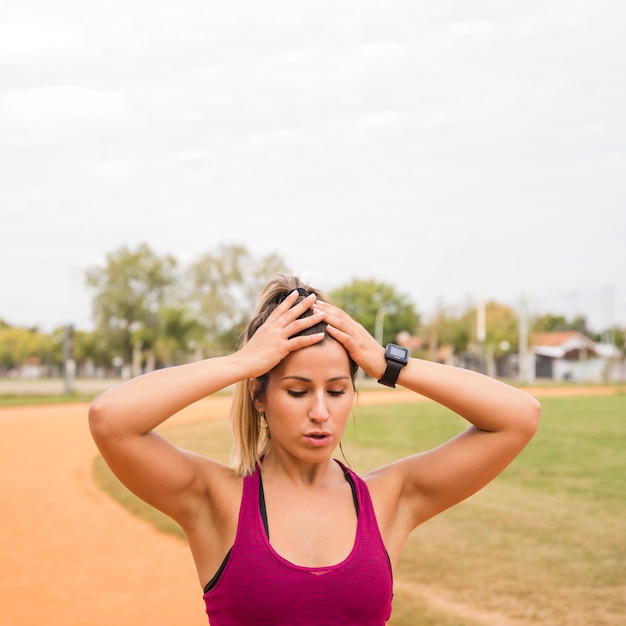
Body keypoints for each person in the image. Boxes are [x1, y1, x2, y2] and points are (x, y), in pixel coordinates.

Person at [89, 274, 540, 625]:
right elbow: (112, 420)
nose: (321, 412)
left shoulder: (390, 498)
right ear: (259, 396)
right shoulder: (214, 499)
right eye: (298, 391)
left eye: (338, 391)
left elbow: (518, 417)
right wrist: (242, 362)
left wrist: (388, 362)